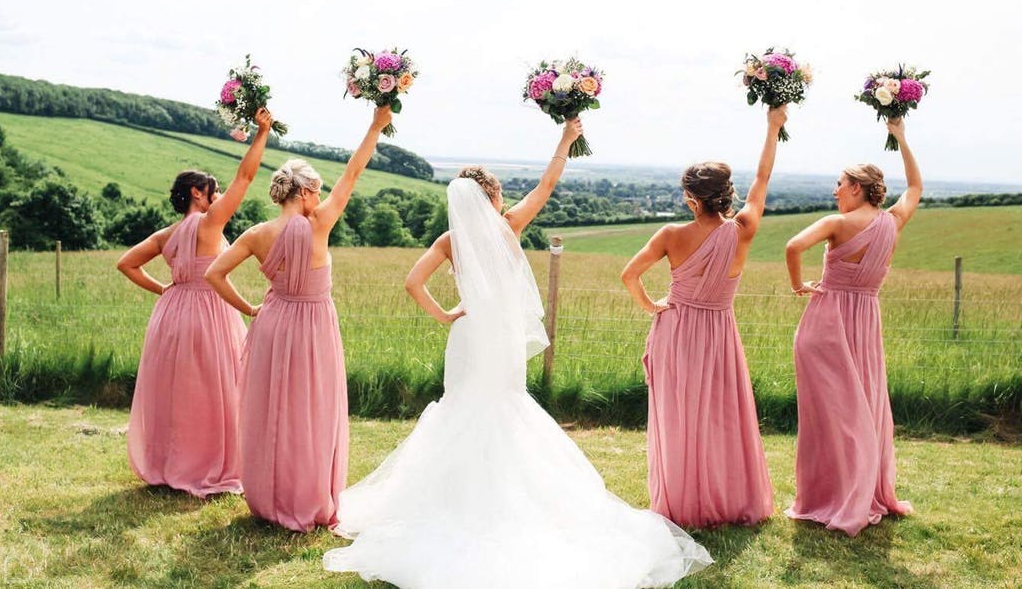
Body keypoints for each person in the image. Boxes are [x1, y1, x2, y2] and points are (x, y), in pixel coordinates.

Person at [324, 119, 711, 589]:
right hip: (501, 341)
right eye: (500, 193)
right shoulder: (509, 227)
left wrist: (447, 315)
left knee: (463, 410)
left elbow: (412, 282)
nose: (504, 199)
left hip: (467, 339)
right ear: (490, 198)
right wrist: (566, 139)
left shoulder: (451, 241)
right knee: (504, 409)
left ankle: (457, 500)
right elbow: (548, 183)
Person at [204, 106, 391, 531]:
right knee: (311, 411)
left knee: (272, 411)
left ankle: (269, 499)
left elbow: (214, 274)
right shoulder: (320, 223)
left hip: (272, 322)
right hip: (313, 327)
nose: (321, 198)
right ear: (305, 192)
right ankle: (307, 497)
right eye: (317, 190)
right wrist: (376, 127)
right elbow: (354, 171)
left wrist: (249, 308)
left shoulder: (255, 234)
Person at [620, 106, 784, 527]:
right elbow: (763, 180)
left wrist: (651, 306)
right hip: (719, 331)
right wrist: (773, 127)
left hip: (676, 328)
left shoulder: (671, 235)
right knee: (721, 415)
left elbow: (629, 275)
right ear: (725, 195)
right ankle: (727, 497)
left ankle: (681, 501)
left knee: (678, 417)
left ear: (691, 199)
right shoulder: (743, 228)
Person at [117, 107, 273, 496]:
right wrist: (262, 133)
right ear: (198, 195)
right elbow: (247, 177)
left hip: (170, 316)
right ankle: (208, 464)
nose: (218, 197)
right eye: (213, 191)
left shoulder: (164, 235)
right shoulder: (210, 223)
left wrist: (166, 290)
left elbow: (127, 264)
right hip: (210, 313)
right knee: (215, 389)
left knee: (174, 392)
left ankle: (169, 464)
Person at [784, 117, 920, 536]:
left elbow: (792, 246)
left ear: (857, 188)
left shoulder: (837, 223)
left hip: (827, 321)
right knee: (862, 407)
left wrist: (798, 285)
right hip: (865, 322)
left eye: (840, 184)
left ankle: (834, 495)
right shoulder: (892, 222)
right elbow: (915, 187)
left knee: (830, 414)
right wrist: (900, 136)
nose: (834, 191)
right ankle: (860, 490)